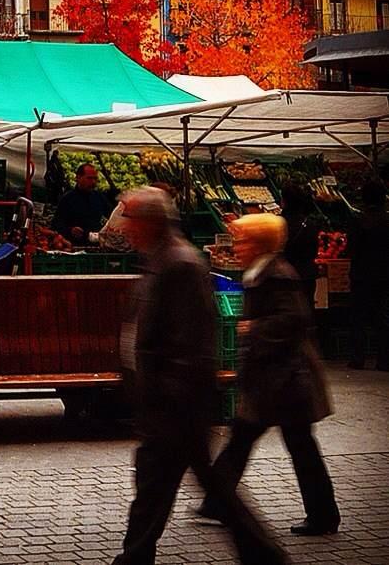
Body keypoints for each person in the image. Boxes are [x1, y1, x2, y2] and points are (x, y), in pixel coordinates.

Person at [112, 187, 285, 565]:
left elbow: (191, 341)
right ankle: (266, 557)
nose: (124, 228)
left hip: (177, 405)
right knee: (178, 489)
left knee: (161, 490)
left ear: (149, 222)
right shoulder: (159, 259)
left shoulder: (181, 263)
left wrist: (167, 392)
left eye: (129, 219)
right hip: (168, 403)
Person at [199, 213, 338, 537]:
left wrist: (255, 327)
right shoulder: (262, 272)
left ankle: (322, 516)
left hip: (287, 381)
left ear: (259, 243)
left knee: (282, 444)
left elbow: (294, 319)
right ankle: (218, 501)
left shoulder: (277, 275)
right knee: (254, 440)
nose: (237, 246)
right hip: (275, 379)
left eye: (243, 240)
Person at [347, 178, 389, 371]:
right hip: (384, 275)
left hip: (361, 274)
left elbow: (351, 249)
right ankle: (384, 359)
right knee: (384, 317)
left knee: (359, 317)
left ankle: (357, 358)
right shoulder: (387, 220)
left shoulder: (358, 221)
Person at [279, 181, 320, 308]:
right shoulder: (310, 225)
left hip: (283, 279)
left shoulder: (277, 225)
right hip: (306, 277)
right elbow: (314, 252)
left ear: (283, 202)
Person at [52, 162, 110, 246]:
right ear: (78, 178)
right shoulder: (67, 199)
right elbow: (56, 225)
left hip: (96, 245)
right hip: (75, 246)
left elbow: (111, 215)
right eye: (89, 178)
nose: (93, 182)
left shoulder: (99, 197)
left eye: (95, 179)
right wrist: (70, 230)